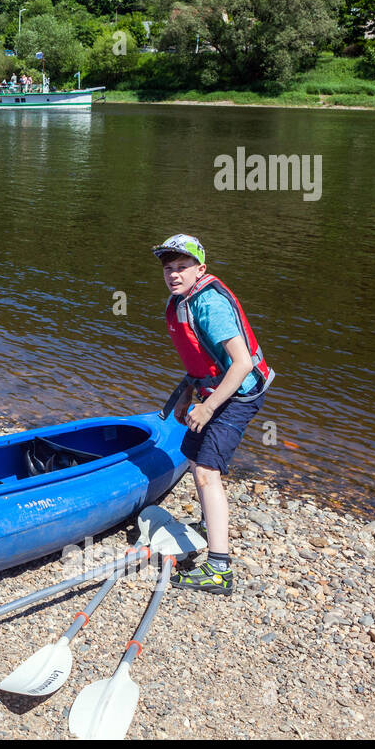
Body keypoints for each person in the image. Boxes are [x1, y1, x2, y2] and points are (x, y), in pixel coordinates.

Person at [152, 234, 274, 595]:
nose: (174, 275)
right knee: (193, 455)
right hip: (210, 389)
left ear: (200, 269)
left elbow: (242, 364)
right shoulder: (181, 301)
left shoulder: (209, 304)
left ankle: (219, 570)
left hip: (240, 393)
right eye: (169, 268)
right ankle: (209, 525)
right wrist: (186, 395)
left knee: (206, 470)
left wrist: (207, 407)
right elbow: (199, 357)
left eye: (182, 267)